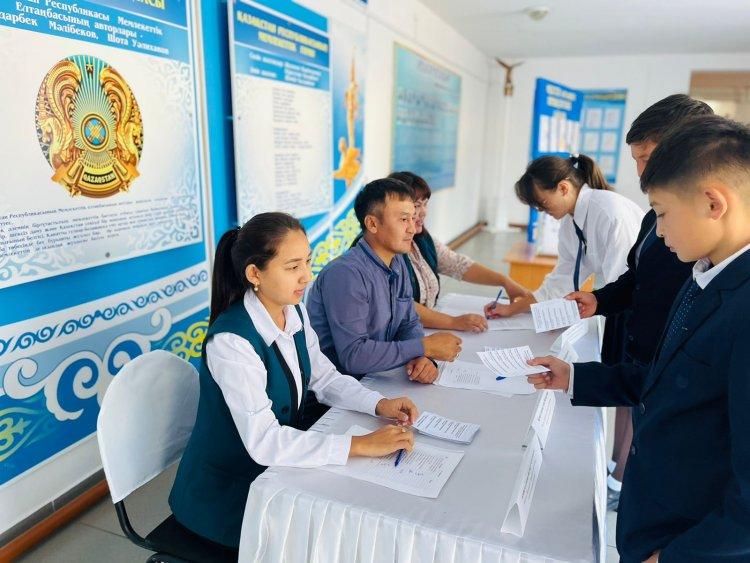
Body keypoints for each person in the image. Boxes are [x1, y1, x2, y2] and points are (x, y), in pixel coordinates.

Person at [528, 116, 750, 562]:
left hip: (689, 540)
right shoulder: (702, 274)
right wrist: (576, 377)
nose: (659, 231)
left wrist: (674, 557)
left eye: (662, 213)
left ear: (713, 203)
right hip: (654, 513)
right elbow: (668, 380)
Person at [169, 212, 420, 550]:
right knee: (333, 538)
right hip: (226, 497)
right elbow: (264, 441)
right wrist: (360, 445)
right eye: (292, 267)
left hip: (274, 472)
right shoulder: (232, 342)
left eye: (307, 262)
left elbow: (324, 377)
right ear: (255, 274)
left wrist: (378, 403)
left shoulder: (293, 310)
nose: (306, 275)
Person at [566, 95, 713, 510]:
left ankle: (624, 482)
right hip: (643, 356)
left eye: (647, 158)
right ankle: (622, 477)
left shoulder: (711, 247)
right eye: (636, 160)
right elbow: (637, 276)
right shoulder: (655, 215)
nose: (641, 173)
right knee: (635, 429)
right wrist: (598, 300)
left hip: (672, 372)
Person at [307, 178, 462, 384]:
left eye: (412, 218)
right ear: (372, 223)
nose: (412, 229)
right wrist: (424, 346)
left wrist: (421, 358)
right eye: (403, 219)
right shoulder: (345, 274)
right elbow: (354, 356)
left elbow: (408, 323)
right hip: (338, 389)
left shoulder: (397, 261)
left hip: (378, 376)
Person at [485, 154, 643, 318]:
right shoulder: (570, 223)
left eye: (543, 203)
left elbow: (623, 286)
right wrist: (510, 309)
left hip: (638, 305)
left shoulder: (609, 213)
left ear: (563, 188)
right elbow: (560, 282)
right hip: (621, 302)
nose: (541, 211)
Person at [387, 171, 533, 333]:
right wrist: (453, 322)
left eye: (425, 204)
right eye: (416, 206)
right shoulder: (388, 250)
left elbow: (458, 264)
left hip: (426, 329)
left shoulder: (421, 239)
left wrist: (504, 281)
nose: (423, 212)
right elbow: (400, 304)